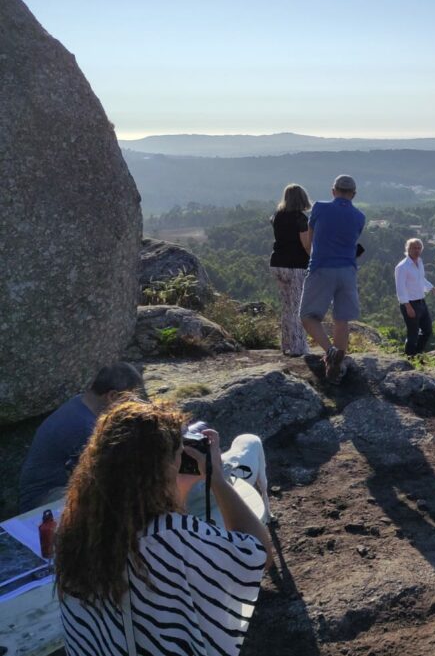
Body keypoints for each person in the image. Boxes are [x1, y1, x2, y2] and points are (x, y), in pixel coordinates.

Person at [54, 401, 271, 656]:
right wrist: (218, 480)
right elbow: (257, 555)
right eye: (180, 455)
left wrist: (177, 489)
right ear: (160, 470)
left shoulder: (74, 531)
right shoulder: (169, 536)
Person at [18, 362, 145, 512]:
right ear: (112, 396)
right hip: (43, 500)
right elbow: (108, 477)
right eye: (129, 402)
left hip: (57, 489)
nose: (130, 409)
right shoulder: (84, 426)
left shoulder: (81, 403)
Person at [300, 174, 366, 381]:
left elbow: (310, 242)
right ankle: (336, 369)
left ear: (333, 190)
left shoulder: (319, 207)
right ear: (353, 195)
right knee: (341, 319)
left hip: (322, 267)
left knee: (308, 316)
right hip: (348, 270)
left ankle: (330, 352)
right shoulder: (359, 217)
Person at [270, 183, 312, 356]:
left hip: (277, 263)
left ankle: (286, 344)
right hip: (296, 266)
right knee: (297, 308)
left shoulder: (276, 216)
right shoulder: (300, 219)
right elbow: (306, 246)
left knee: (287, 306)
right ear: (302, 199)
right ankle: (298, 348)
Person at [394, 238, 435, 357]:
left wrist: (433, 289)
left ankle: (417, 355)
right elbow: (400, 288)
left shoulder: (419, 262)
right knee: (412, 334)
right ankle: (409, 358)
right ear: (408, 249)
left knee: (427, 330)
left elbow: (421, 280)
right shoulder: (402, 266)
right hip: (410, 304)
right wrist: (408, 306)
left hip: (421, 302)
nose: (417, 250)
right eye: (414, 248)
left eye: (419, 248)